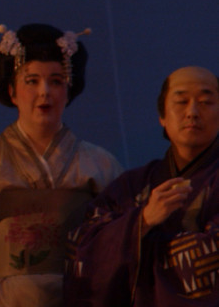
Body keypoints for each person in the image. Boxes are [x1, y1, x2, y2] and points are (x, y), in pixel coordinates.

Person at [0, 23, 123, 307]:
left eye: (56, 81)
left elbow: (120, 246)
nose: (44, 92)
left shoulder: (101, 165)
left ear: (68, 91)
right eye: (31, 81)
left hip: (77, 296)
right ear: (12, 91)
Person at [65, 66, 219, 305]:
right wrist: (143, 220)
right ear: (162, 116)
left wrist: (141, 243)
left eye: (206, 102)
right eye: (181, 101)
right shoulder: (131, 185)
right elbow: (83, 248)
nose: (192, 112)